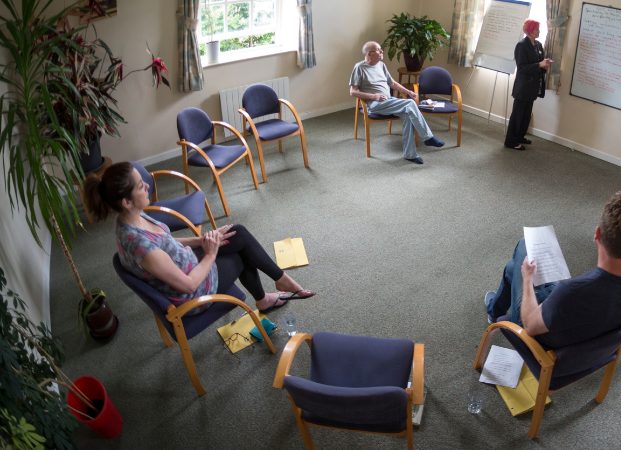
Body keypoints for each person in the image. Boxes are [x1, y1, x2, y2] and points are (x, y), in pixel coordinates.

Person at [84, 162, 314, 315]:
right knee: (242, 253)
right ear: (126, 201)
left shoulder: (132, 215)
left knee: (237, 232)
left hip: (188, 262)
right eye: (140, 186)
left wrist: (202, 240)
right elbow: (188, 284)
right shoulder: (139, 246)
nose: (147, 186)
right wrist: (211, 252)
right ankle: (271, 291)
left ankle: (278, 281)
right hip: (194, 293)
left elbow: (168, 243)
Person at [484, 191, 621, 345]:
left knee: (522, 250)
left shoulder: (572, 291)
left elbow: (530, 326)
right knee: (514, 269)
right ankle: (494, 308)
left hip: (547, 342)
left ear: (597, 234)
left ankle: (494, 310)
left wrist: (527, 279)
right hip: (588, 334)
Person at [349, 41, 444, 165]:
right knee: (410, 104)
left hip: (389, 101)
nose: (382, 52)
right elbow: (353, 91)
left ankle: (410, 154)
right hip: (374, 104)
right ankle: (427, 137)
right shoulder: (359, 68)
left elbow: (392, 83)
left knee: (407, 115)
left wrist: (408, 92)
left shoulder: (381, 65)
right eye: (379, 50)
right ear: (370, 54)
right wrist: (374, 96)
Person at [504, 19, 553, 151]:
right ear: (530, 31)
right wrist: (539, 64)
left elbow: (539, 63)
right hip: (523, 87)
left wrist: (544, 64)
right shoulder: (521, 45)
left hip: (533, 87)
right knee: (518, 115)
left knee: (526, 115)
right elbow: (522, 68)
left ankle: (520, 137)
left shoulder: (538, 45)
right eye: (537, 29)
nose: (539, 31)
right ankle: (510, 141)